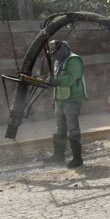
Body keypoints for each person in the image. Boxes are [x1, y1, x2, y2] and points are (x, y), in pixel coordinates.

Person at [44, 40, 87, 168]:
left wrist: (55, 82)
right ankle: (58, 155)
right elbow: (57, 82)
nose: (54, 55)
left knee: (73, 129)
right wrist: (54, 98)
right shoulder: (59, 61)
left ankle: (77, 159)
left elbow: (71, 78)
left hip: (73, 99)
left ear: (62, 49)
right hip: (61, 99)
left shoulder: (74, 60)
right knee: (60, 129)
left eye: (55, 52)